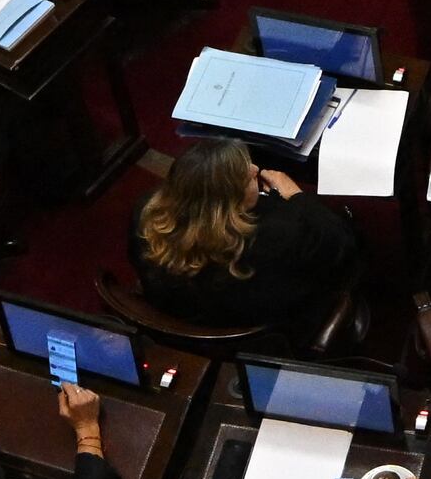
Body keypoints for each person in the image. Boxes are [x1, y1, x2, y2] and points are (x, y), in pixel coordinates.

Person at [128, 139, 358, 344]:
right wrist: (296, 197)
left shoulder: (146, 215)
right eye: (246, 176)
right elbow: (342, 246)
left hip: (181, 319)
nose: (255, 169)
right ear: (229, 202)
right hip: (263, 333)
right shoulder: (279, 235)